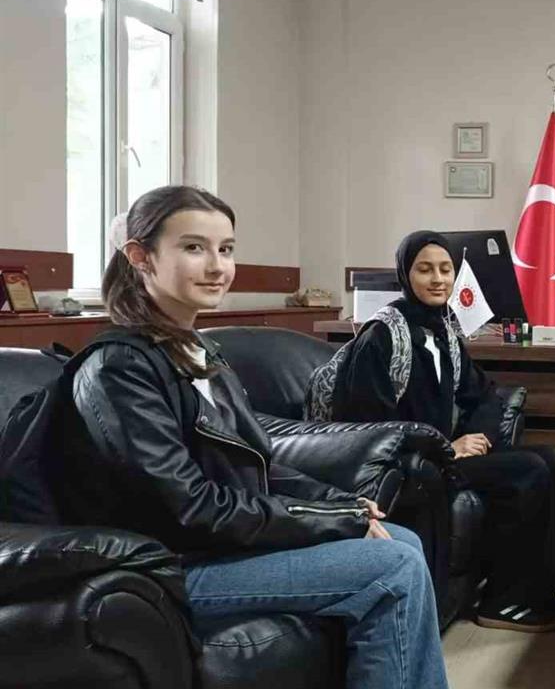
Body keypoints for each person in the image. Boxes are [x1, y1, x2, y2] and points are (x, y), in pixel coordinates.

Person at [51, 186, 447, 689]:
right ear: (140, 256)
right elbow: (190, 507)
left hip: (213, 549)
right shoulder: (119, 368)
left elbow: (259, 463)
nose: (217, 266)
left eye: (226, 249)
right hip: (166, 567)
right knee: (392, 565)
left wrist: (343, 503)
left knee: (402, 541)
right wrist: (332, 521)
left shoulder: (198, 354)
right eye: (194, 248)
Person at [328, 230, 555, 633]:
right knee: (528, 471)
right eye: (425, 270)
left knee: (551, 460)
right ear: (405, 275)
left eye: (445, 269)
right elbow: (369, 426)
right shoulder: (382, 335)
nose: (438, 279)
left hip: (443, 456)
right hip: (410, 464)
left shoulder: (445, 330)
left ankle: (537, 593)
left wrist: (476, 439)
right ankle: (503, 602)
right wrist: (448, 447)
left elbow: (485, 394)